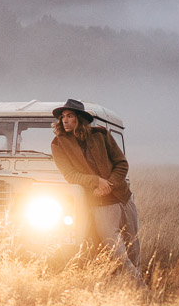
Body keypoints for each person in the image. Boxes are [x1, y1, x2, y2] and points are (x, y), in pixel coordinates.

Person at [50, 98, 143, 284]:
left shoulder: (101, 135)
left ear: (79, 119)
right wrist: (96, 182)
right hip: (99, 202)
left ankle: (127, 292)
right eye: (62, 117)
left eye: (69, 116)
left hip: (123, 197)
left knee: (133, 248)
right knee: (116, 249)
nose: (65, 121)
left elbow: (121, 163)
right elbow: (70, 175)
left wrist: (109, 184)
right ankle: (141, 288)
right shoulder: (58, 144)